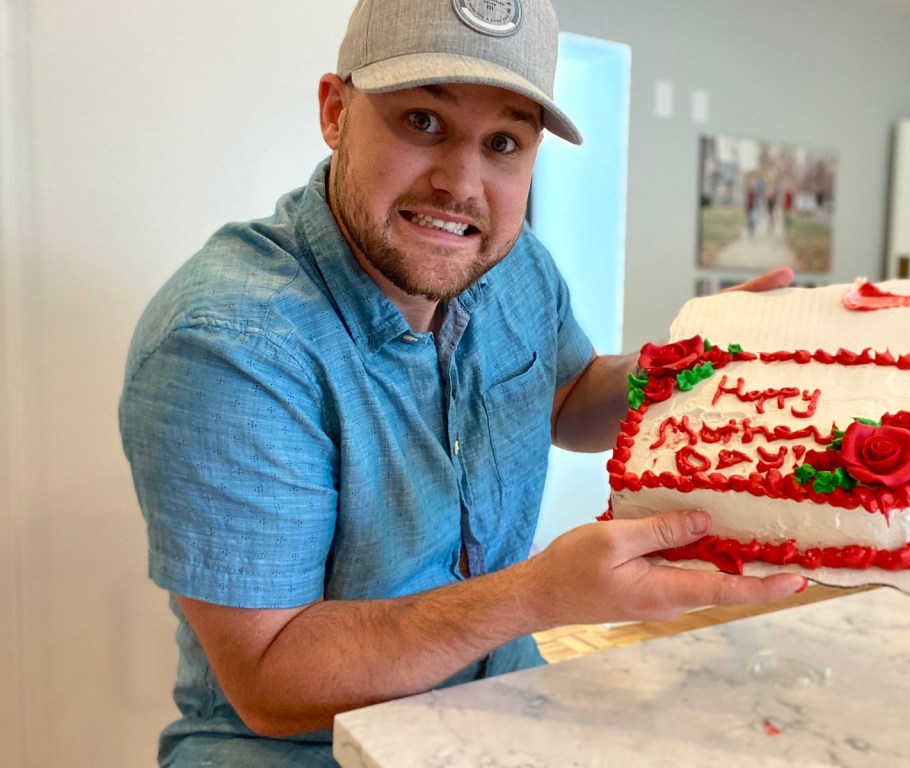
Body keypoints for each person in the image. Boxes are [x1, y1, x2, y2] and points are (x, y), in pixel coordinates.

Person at [119, 0, 803, 764]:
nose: (461, 185)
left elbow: (568, 402)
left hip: (499, 695)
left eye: (504, 142)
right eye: (422, 122)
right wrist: (543, 593)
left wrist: (677, 368)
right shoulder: (231, 345)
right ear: (336, 112)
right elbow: (272, 679)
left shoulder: (514, 266)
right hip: (306, 748)